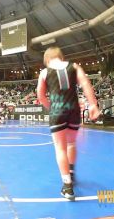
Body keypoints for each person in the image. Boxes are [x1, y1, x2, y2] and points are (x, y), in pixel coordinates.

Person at [37, 47, 100, 200]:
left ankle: (67, 186)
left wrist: (51, 108)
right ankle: (71, 172)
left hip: (57, 111)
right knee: (71, 144)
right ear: (62, 57)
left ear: (47, 60)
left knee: (60, 148)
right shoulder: (74, 66)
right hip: (74, 111)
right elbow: (85, 84)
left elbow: (40, 95)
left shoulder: (45, 72)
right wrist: (93, 105)